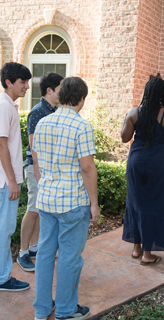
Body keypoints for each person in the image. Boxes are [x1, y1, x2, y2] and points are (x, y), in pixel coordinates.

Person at [33, 77, 100, 320]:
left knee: (44, 254)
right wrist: (94, 203)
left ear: (61, 96)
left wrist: (44, 184)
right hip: (72, 202)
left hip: (47, 199)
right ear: (82, 98)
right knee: (70, 258)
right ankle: (65, 310)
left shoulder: (42, 123)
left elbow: (37, 160)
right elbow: (87, 168)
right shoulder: (82, 126)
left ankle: (41, 309)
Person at [121, 77, 164, 265]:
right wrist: (162, 142)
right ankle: (148, 254)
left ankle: (136, 248)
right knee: (153, 204)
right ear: (163, 93)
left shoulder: (134, 112)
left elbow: (124, 137)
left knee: (135, 201)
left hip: (136, 161)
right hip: (157, 162)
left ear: (146, 92)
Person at [17, 72, 63, 272]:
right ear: (49, 90)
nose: (63, 93)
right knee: (33, 208)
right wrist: (39, 176)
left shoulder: (55, 111)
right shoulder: (37, 112)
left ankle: (34, 247)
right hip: (35, 167)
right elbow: (34, 148)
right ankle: (22, 253)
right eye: (60, 89)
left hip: (47, 169)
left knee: (39, 209)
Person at [0, 62, 32, 291]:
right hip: (4, 182)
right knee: (5, 231)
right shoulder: (4, 106)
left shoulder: (7, 105)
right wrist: (12, 181)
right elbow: (1, 146)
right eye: (23, 82)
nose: (27, 86)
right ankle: (2, 278)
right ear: (9, 82)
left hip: (4, 180)